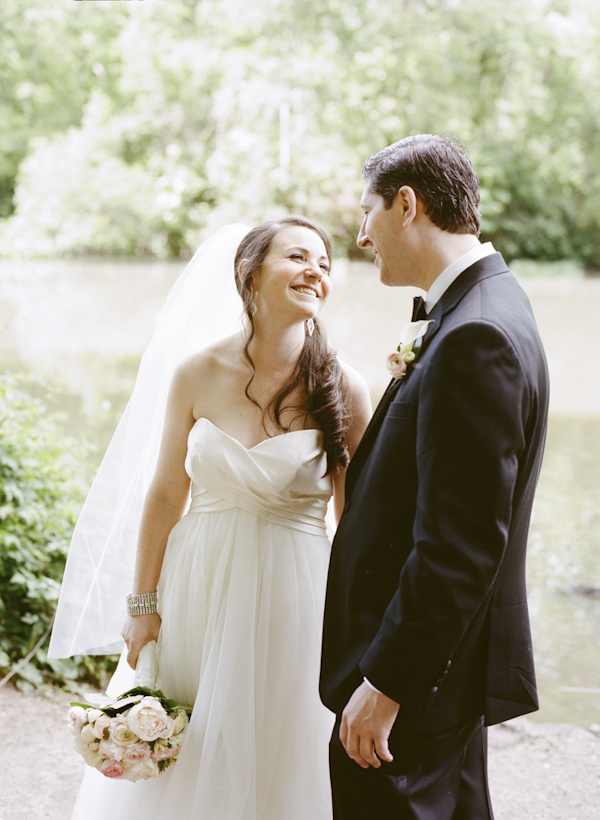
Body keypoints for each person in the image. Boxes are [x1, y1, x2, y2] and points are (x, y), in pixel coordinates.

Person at [51, 216, 371, 820]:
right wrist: (143, 607)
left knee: (280, 739)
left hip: (296, 591)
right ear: (250, 275)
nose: (315, 271)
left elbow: (354, 520)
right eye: (298, 257)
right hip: (199, 581)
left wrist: (361, 626)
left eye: (325, 265)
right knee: (190, 732)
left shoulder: (344, 387)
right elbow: (166, 493)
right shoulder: (195, 373)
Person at [320, 135, 550, 819]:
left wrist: (386, 684)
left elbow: (461, 544)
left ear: (408, 205)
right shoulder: (487, 305)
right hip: (440, 677)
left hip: (413, 689)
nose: (362, 236)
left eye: (368, 213)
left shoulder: (474, 336)